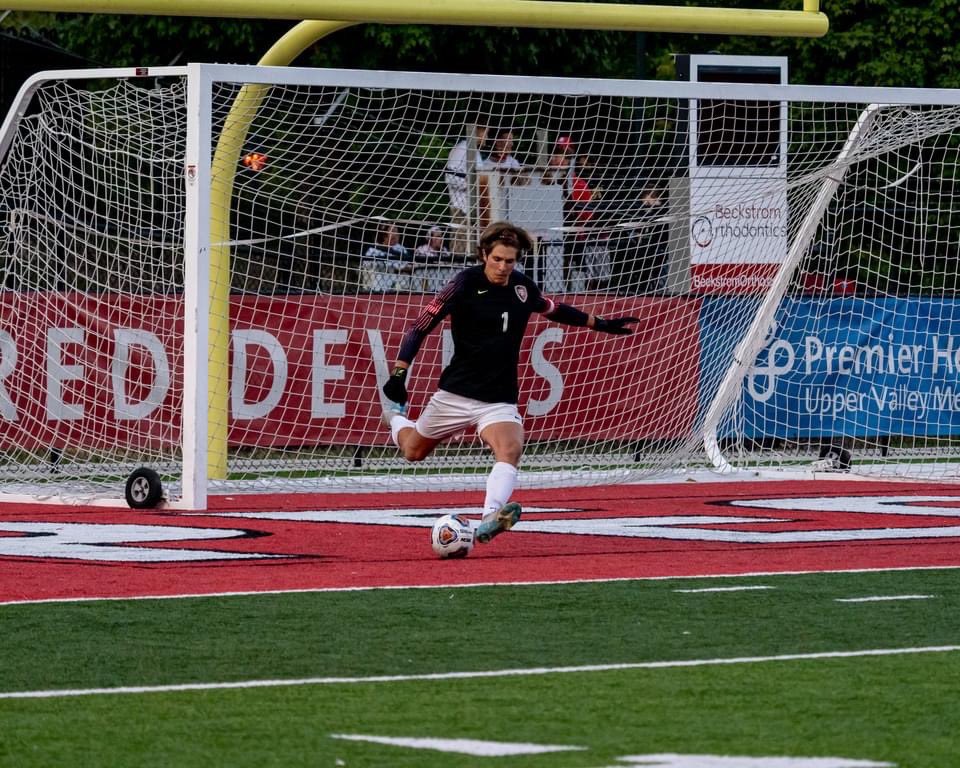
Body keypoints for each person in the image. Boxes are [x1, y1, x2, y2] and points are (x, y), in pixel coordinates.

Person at [381, 221, 638, 545]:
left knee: (511, 448)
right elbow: (419, 327)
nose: (503, 267)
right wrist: (399, 374)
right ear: (483, 255)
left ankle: (491, 516)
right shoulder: (463, 283)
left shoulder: (522, 287)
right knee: (412, 451)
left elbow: (554, 309)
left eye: (510, 261)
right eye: (497, 259)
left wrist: (599, 323)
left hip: (498, 397)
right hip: (456, 393)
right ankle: (395, 416)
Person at [445, 124, 490, 261]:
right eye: (485, 133)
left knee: (473, 248)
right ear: (478, 132)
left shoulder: (475, 152)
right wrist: (472, 185)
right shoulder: (462, 149)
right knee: (460, 247)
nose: (486, 138)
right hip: (462, 208)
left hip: (475, 210)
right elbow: (450, 176)